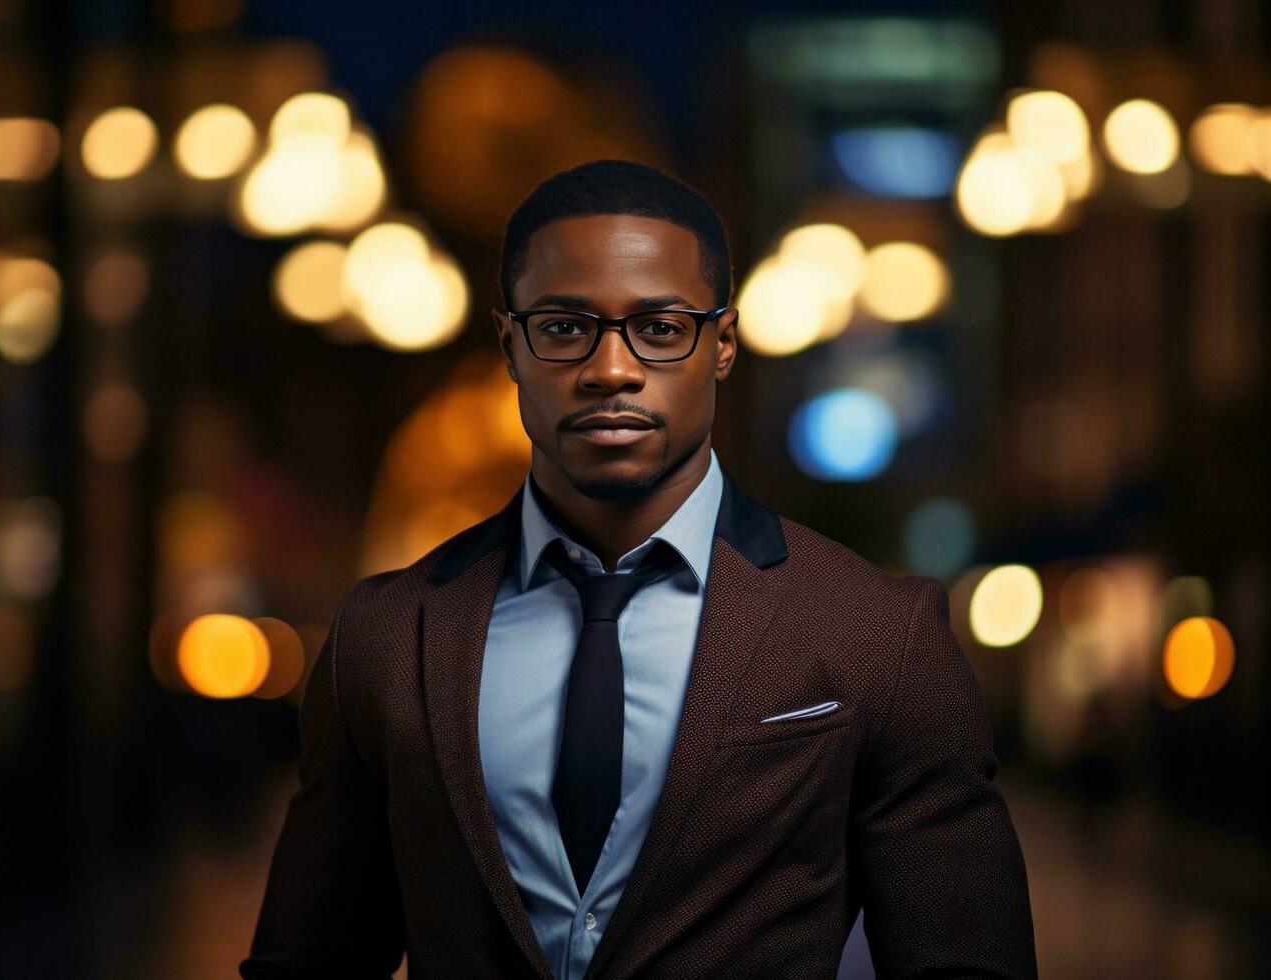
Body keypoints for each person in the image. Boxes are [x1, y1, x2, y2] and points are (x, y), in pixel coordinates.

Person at [241, 160, 1036, 979]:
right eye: (563, 327)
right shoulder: (387, 635)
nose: (611, 369)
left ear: (722, 344)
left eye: (659, 329)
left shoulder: (876, 633)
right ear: (510, 345)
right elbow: (310, 959)